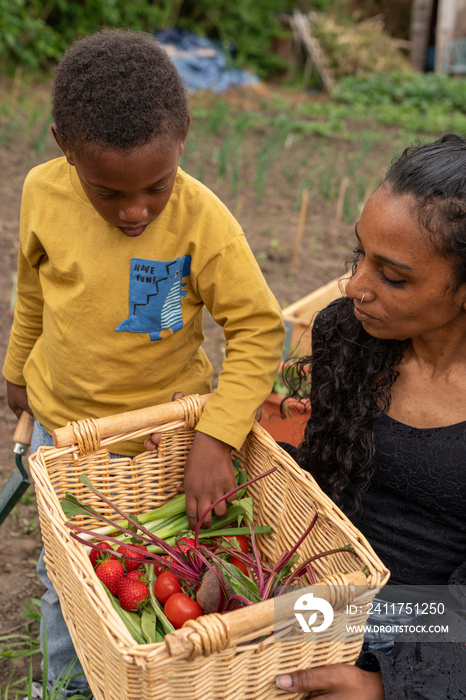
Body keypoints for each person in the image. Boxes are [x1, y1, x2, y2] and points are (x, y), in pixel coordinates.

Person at [2, 29, 285, 699]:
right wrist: (17, 371)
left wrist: (216, 436)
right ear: (62, 147)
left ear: (184, 134)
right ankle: (68, 686)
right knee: (65, 579)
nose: (135, 211)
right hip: (63, 433)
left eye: (155, 188)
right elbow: (33, 289)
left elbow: (256, 328)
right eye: (107, 193)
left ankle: (152, 685)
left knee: (161, 576)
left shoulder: (201, 221)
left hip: (164, 442)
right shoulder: (43, 192)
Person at [275, 133, 466, 699]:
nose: (356, 287)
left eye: (393, 276)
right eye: (361, 255)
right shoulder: (350, 336)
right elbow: (324, 476)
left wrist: (387, 687)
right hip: (325, 597)